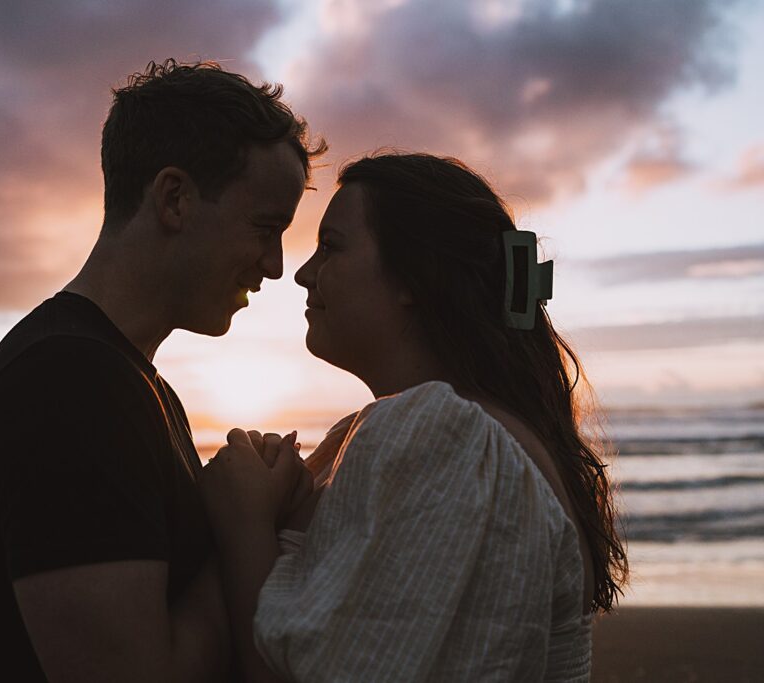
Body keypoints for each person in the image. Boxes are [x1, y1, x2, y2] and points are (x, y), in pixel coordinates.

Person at [0, 59, 324, 682]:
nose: (276, 265)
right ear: (174, 198)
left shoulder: (129, 382)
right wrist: (244, 527)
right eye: (264, 227)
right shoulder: (66, 387)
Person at [200, 153, 628, 682]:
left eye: (330, 247)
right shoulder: (407, 434)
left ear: (413, 279)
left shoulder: (446, 439)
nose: (304, 274)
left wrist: (242, 521)